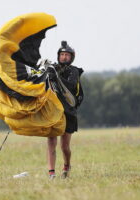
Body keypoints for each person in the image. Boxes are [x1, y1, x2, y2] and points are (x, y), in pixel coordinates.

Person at [47, 41, 84, 179]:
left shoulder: (73, 71)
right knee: (51, 141)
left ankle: (67, 165)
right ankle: (51, 173)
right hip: (53, 111)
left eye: (66, 55)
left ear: (71, 57)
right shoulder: (52, 69)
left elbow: (69, 85)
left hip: (68, 112)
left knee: (64, 146)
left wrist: (55, 76)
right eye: (61, 55)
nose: (63, 57)